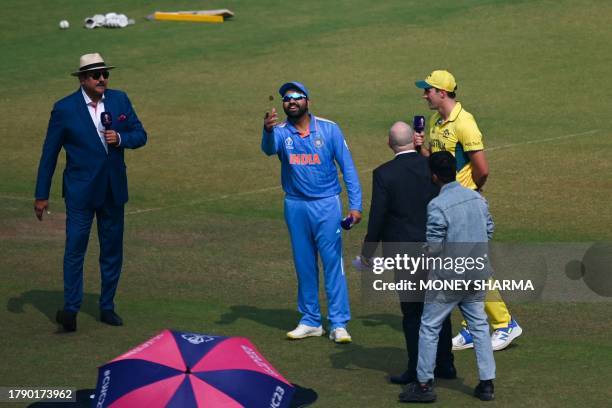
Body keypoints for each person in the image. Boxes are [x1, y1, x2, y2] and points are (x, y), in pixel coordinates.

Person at [34, 53, 147, 332]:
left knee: (111, 251)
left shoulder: (120, 100)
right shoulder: (64, 109)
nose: (102, 79)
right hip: (80, 192)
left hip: (112, 190)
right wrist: (41, 194)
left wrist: (121, 138)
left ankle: (107, 306)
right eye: (96, 75)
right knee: (75, 249)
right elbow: (49, 154)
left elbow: (140, 134)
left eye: (105, 74)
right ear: (83, 79)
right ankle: (71, 309)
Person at [413, 70, 522, 351]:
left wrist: (472, 191)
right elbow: (440, 164)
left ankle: (504, 323)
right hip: (446, 203)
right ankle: (474, 326)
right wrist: (421, 150)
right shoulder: (437, 122)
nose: (425, 94)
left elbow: (482, 168)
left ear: (442, 92)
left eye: (429, 90)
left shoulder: (465, 123)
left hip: (465, 205)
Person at [261, 81, 362, 343]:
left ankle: (339, 323)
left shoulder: (328, 129)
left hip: (327, 204)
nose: (291, 101)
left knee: (332, 265)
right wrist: (267, 130)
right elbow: (269, 149)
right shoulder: (281, 132)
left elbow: (348, 168)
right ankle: (310, 320)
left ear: (308, 101)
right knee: (304, 265)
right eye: (287, 98)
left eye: (297, 97)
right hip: (295, 205)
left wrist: (355, 205)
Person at [359, 122, 456, 384]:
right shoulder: (431, 167)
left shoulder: (384, 174)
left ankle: (416, 368)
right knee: (439, 309)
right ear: (412, 141)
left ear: (390, 143)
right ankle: (445, 364)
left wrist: (368, 252)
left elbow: (378, 216)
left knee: (413, 314)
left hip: (405, 253)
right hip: (438, 248)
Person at [399, 151, 496, 403]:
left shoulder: (437, 205)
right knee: (480, 327)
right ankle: (487, 384)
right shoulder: (476, 198)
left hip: (448, 277)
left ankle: (423, 385)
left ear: (433, 176)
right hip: (476, 271)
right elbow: (489, 229)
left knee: (429, 327)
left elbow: (434, 246)